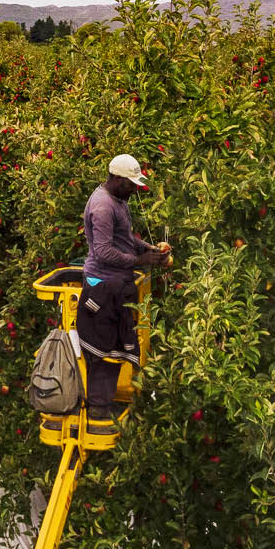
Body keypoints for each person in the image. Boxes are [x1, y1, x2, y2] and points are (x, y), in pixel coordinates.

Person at [76, 154, 170, 429]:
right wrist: (139, 261)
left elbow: (124, 238)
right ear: (116, 179)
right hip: (103, 286)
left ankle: (104, 403)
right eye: (130, 184)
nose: (134, 190)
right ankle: (98, 411)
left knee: (117, 346)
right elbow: (104, 251)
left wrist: (147, 249)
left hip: (117, 283)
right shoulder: (103, 206)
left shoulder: (118, 201)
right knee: (104, 348)